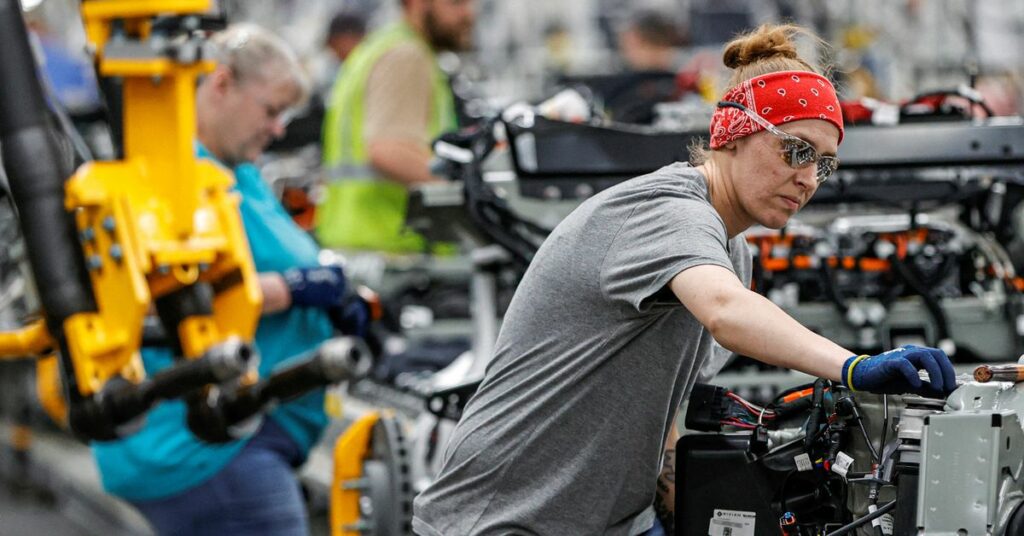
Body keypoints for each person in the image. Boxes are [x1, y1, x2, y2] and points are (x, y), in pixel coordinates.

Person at [412, 23, 958, 536]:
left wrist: (678, 506)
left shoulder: (731, 249)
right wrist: (853, 367)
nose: (809, 178)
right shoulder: (668, 211)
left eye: (825, 163)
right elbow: (726, 312)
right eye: (796, 151)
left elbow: (663, 405)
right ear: (737, 134)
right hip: (501, 519)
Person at [92, 24, 368, 535]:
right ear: (221, 85)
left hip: (241, 440)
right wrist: (297, 289)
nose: (280, 128)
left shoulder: (236, 171)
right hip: (206, 449)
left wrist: (333, 288)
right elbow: (161, 297)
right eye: (270, 110)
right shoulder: (176, 181)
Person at [316, 0, 476, 253]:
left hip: (361, 242)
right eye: (456, 3)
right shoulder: (406, 55)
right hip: (394, 249)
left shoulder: (378, 47)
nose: (468, 13)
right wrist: (474, 191)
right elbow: (389, 151)